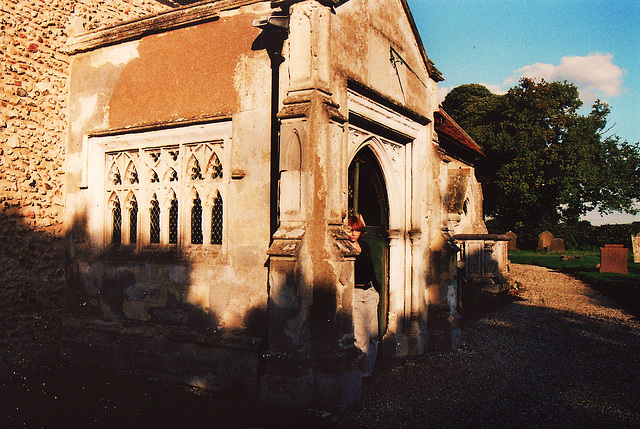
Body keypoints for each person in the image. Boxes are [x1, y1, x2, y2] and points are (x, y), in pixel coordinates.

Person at [348, 215, 380, 377]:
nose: (354, 234)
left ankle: (369, 371)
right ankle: (360, 374)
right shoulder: (346, 249)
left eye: (357, 230)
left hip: (370, 292)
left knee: (373, 335)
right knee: (360, 336)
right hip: (356, 293)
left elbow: (372, 270)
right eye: (351, 230)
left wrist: (377, 290)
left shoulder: (365, 246)